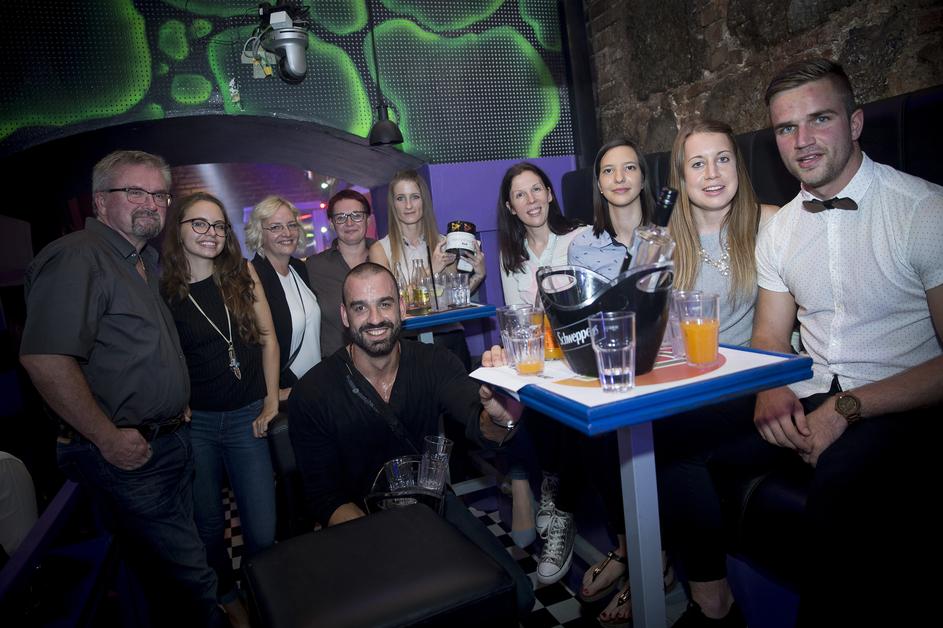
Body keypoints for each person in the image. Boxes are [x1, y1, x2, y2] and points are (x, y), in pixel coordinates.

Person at [669, 59, 943, 627]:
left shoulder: (924, 210)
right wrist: (771, 390)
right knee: (674, 446)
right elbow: (771, 336)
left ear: (855, 122)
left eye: (820, 119)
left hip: (901, 403)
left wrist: (846, 409)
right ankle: (714, 605)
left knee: (839, 487)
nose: (803, 140)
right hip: (811, 391)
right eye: (786, 128)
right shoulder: (781, 229)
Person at [19, 150, 225, 627]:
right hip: (130, 455)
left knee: (164, 579)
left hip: (166, 441)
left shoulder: (144, 261)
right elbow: (44, 358)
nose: (150, 203)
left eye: (159, 194)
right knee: (190, 581)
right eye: (135, 192)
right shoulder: (77, 257)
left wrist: (175, 404)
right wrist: (107, 437)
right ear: (100, 201)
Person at [288, 262, 535, 616]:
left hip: (431, 506)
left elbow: (478, 424)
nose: (375, 318)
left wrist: (501, 416)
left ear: (402, 308)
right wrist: (397, 541)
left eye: (385, 304)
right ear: (344, 316)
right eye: (360, 307)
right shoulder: (313, 393)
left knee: (517, 594)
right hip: (357, 522)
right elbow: (325, 499)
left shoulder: (434, 362)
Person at [161, 192, 281, 626]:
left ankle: (258, 589)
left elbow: (268, 339)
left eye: (218, 225)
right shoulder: (164, 290)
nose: (211, 233)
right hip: (197, 425)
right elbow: (162, 358)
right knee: (208, 528)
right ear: (178, 229)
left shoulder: (241, 273)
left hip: (248, 416)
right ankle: (229, 599)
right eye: (199, 224)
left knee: (262, 529)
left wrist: (270, 398)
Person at [496, 162, 585, 582]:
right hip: (540, 363)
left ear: (550, 193)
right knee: (516, 393)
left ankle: (558, 502)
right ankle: (548, 484)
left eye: (537, 190)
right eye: (520, 194)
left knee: (552, 403)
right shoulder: (511, 257)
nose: (530, 200)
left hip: (579, 360)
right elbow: (518, 320)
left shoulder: (579, 238)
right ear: (510, 207)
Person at [247, 195, 321, 397]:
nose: (287, 233)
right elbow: (252, 347)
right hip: (286, 391)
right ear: (259, 233)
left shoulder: (298, 268)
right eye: (275, 227)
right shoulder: (253, 277)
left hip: (314, 386)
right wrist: (274, 393)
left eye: (291, 225)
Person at [306, 189, 375, 358]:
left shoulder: (385, 256)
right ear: (331, 223)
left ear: (368, 219)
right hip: (335, 365)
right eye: (341, 217)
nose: (349, 223)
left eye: (357, 215)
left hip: (386, 360)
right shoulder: (314, 267)